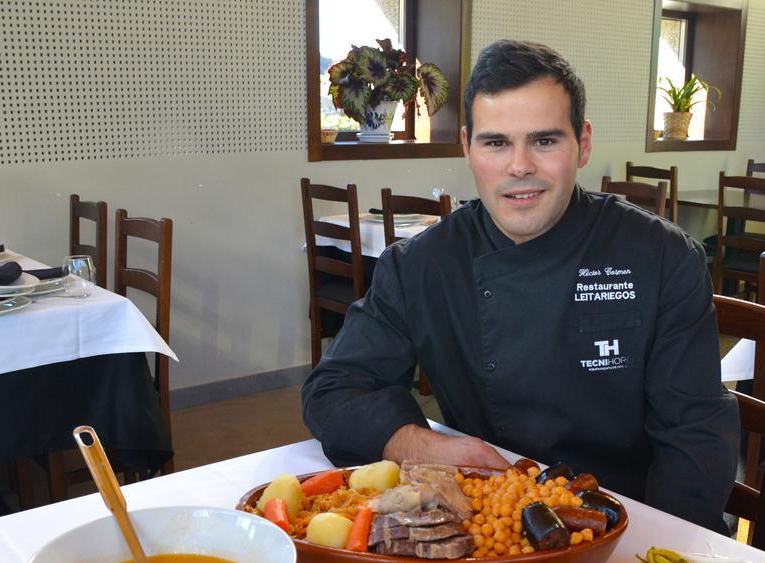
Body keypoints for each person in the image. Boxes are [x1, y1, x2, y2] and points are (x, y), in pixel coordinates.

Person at [301, 40, 738, 533]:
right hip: (495, 523)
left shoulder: (661, 256)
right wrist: (425, 446)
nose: (519, 166)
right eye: (496, 143)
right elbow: (332, 391)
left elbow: (697, 431)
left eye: (545, 141)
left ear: (584, 143)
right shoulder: (424, 264)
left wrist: (657, 550)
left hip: (631, 518)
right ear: (467, 147)